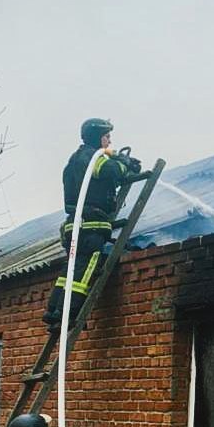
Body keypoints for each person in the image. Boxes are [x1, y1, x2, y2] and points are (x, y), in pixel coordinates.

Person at [41, 117, 144, 331]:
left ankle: (53, 310)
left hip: (75, 225)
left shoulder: (74, 160)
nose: (109, 141)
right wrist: (125, 163)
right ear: (97, 137)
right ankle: (68, 314)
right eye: (107, 136)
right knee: (85, 270)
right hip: (91, 225)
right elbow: (112, 172)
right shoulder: (92, 157)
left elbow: (99, 179)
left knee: (71, 268)